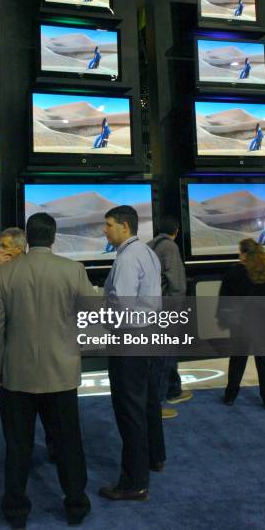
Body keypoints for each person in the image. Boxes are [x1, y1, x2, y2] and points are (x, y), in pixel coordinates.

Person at [0, 213, 95, 528]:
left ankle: (15, 511)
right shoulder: (73, 271)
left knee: (18, 444)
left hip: (16, 375)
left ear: (28, 239)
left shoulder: (4, 273)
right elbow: (91, 316)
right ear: (54, 236)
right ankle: (76, 506)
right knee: (69, 442)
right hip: (61, 373)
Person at [99, 206, 165, 502]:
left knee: (130, 411)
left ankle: (134, 482)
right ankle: (155, 457)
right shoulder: (147, 253)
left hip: (129, 340)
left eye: (108, 225)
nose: (104, 230)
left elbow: (123, 307)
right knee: (148, 401)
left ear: (124, 227)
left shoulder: (126, 259)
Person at [0, 228, 56, 463]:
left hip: (40, 348)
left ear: (19, 249)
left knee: (49, 409)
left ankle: (55, 448)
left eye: (4, 246)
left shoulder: (35, 268)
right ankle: (18, 454)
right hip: (6, 351)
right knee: (11, 413)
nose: (0, 250)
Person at [218, 239, 265, 409]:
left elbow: (224, 301)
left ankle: (230, 396)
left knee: (237, 360)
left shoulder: (233, 273)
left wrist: (223, 319)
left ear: (243, 254)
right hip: (264, 326)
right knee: (264, 360)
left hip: (240, 326)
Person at [148, 216, 193, 420]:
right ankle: (155, 405)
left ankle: (174, 389)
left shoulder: (150, 244)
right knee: (163, 357)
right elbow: (176, 282)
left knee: (167, 354)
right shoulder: (170, 247)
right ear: (176, 231)